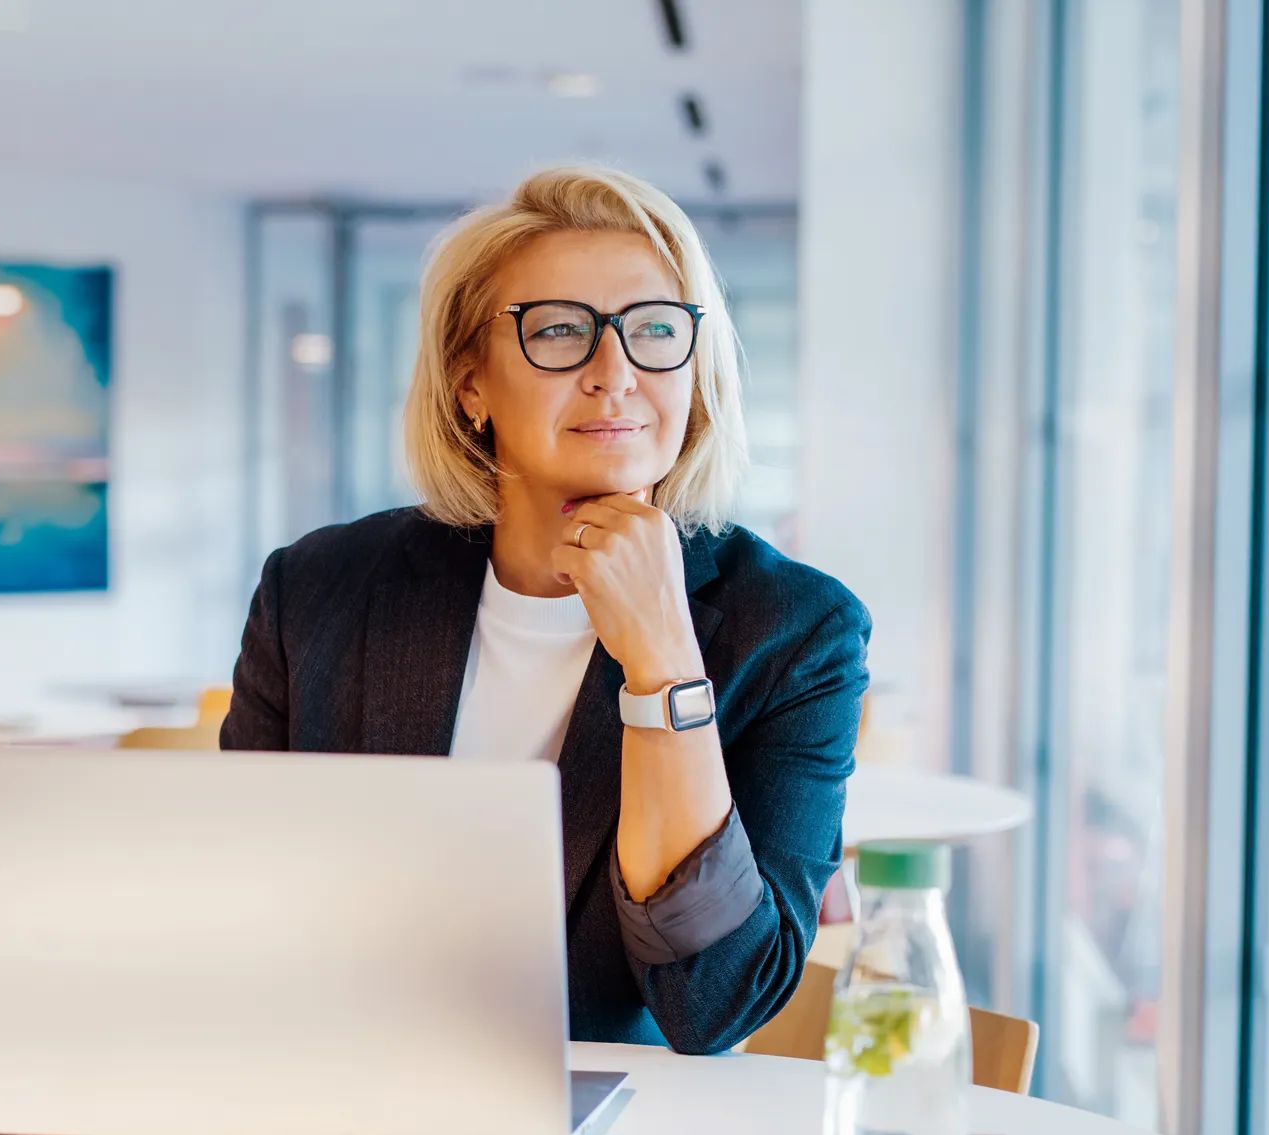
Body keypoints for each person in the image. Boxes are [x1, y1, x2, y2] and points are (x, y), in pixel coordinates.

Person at [221, 165, 869, 1054]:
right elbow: (235, 902)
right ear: (470, 386)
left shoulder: (794, 631)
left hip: (621, 1127)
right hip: (337, 1085)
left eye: (653, 332)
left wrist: (664, 664)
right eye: (560, 331)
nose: (616, 374)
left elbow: (716, 1002)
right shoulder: (320, 587)